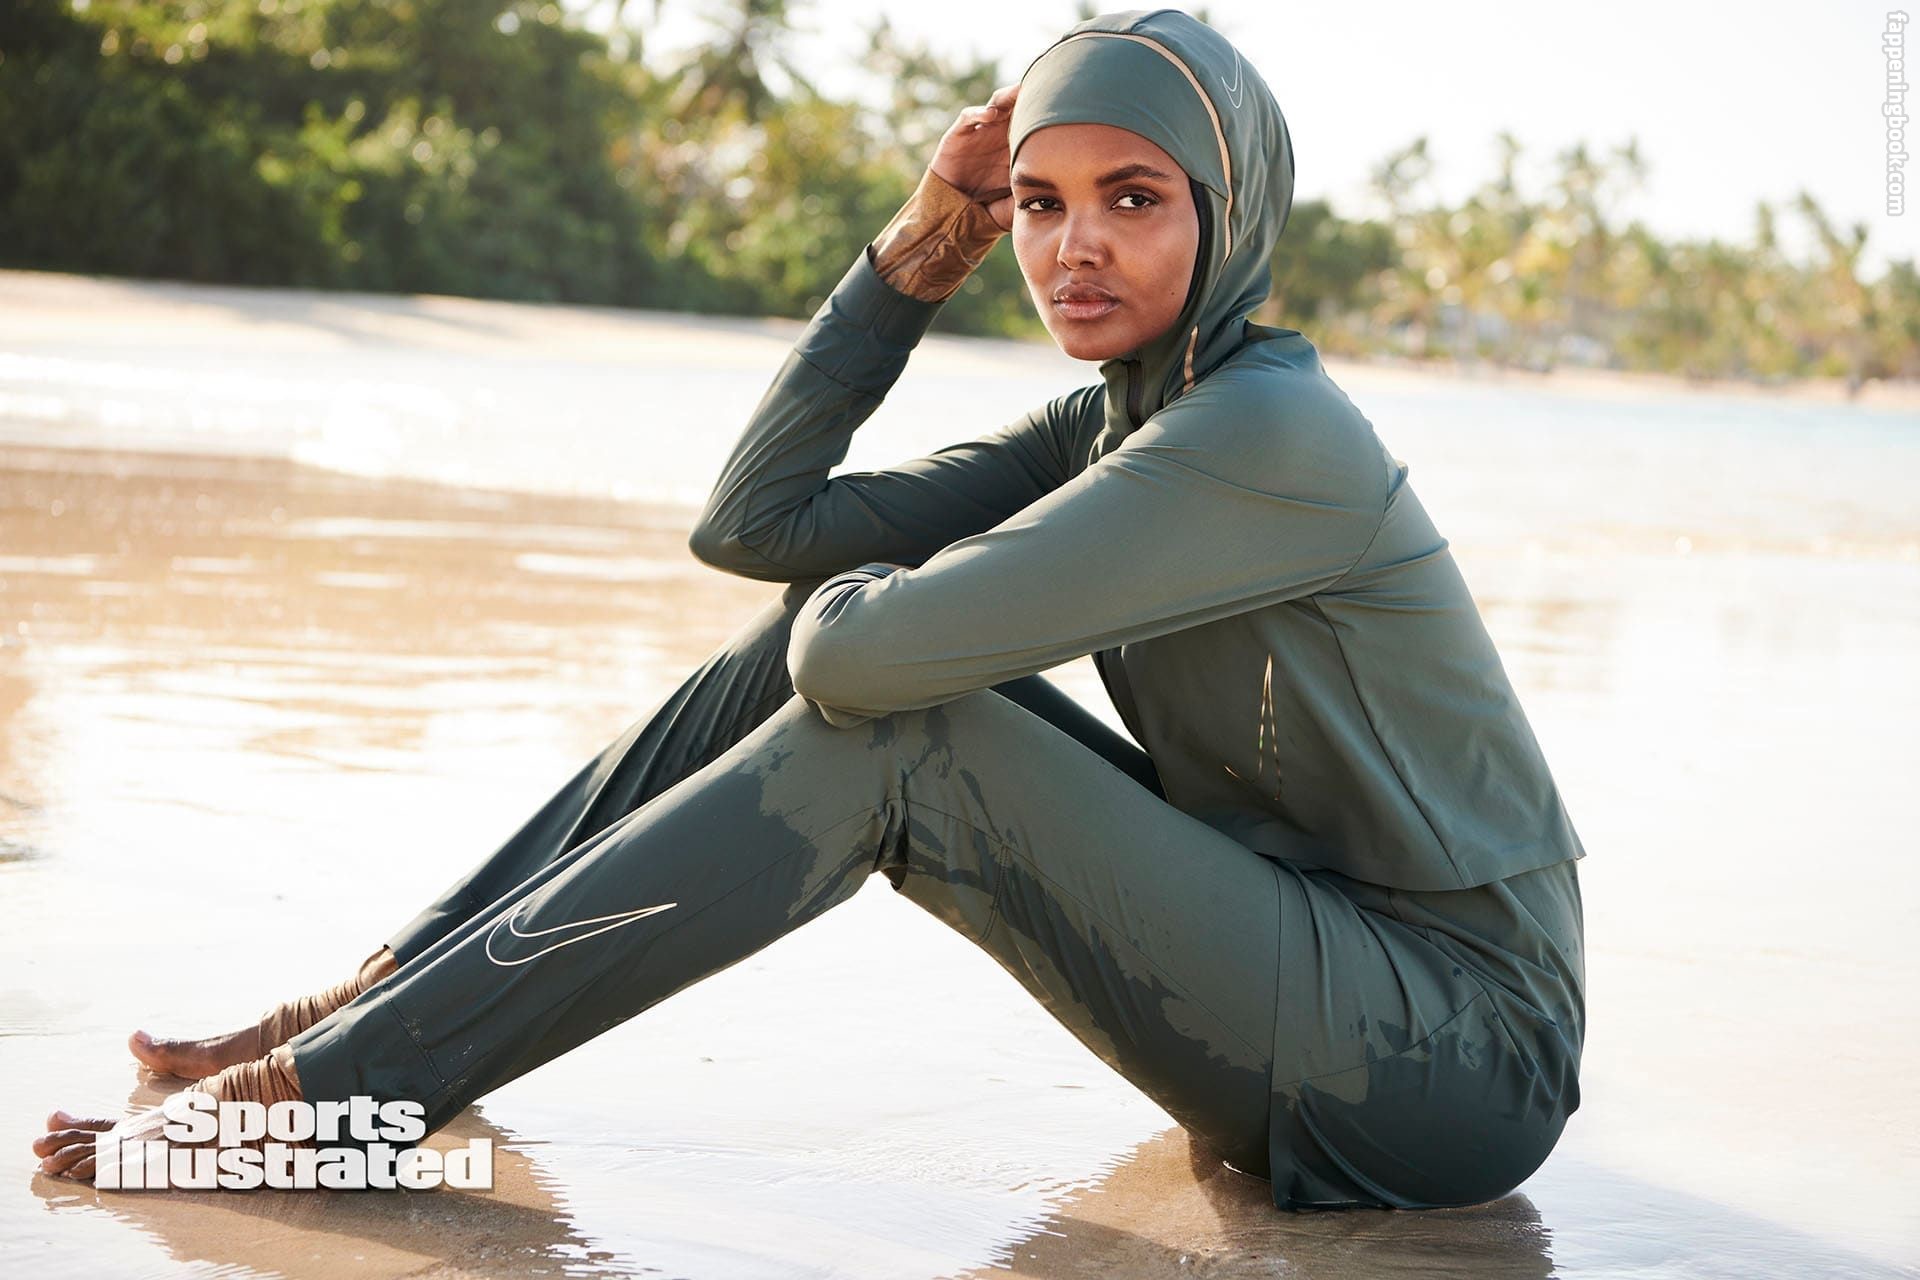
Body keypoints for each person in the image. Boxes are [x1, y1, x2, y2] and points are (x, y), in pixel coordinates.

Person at [35, 9, 1587, 1211]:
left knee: (900, 728)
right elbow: (757, 526)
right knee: (804, 662)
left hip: (1452, 1055)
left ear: (1230, 213)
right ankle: (388, 1001)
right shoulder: (1120, 419)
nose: (1074, 245)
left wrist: (859, 628)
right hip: (1304, 962)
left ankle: (332, 1104)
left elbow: (853, 652)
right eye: (1035, 203)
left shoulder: (1270, 434)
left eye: (1135, 198)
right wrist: (923, 240)